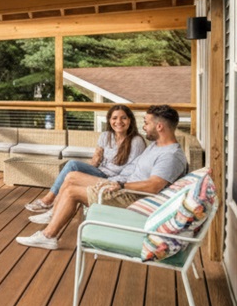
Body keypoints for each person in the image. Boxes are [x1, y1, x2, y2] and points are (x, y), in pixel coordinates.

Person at [16, 105, 188, 250]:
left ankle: (48, 236)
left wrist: (120, 184)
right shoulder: (157, 146)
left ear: (159, 127)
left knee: (71, 192)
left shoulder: (170, 155)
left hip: (132, 196)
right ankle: (53, 216)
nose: (144, 127)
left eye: (147, 123)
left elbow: (154, 186)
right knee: (72, 175)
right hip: (125, 188)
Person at [23, 104, 145, 212]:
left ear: (130, 120)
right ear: (109, 120)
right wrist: (86, 172)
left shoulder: (136, 141)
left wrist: (114, 183)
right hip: (101, 172)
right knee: (73, 167)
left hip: (114, 180)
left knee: (72, 166)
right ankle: (53, 205)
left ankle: (49, 201)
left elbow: (130, 169)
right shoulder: (106, 135)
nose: (119, 121)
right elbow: (96, 158)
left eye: (123, 118)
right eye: (114, 118)